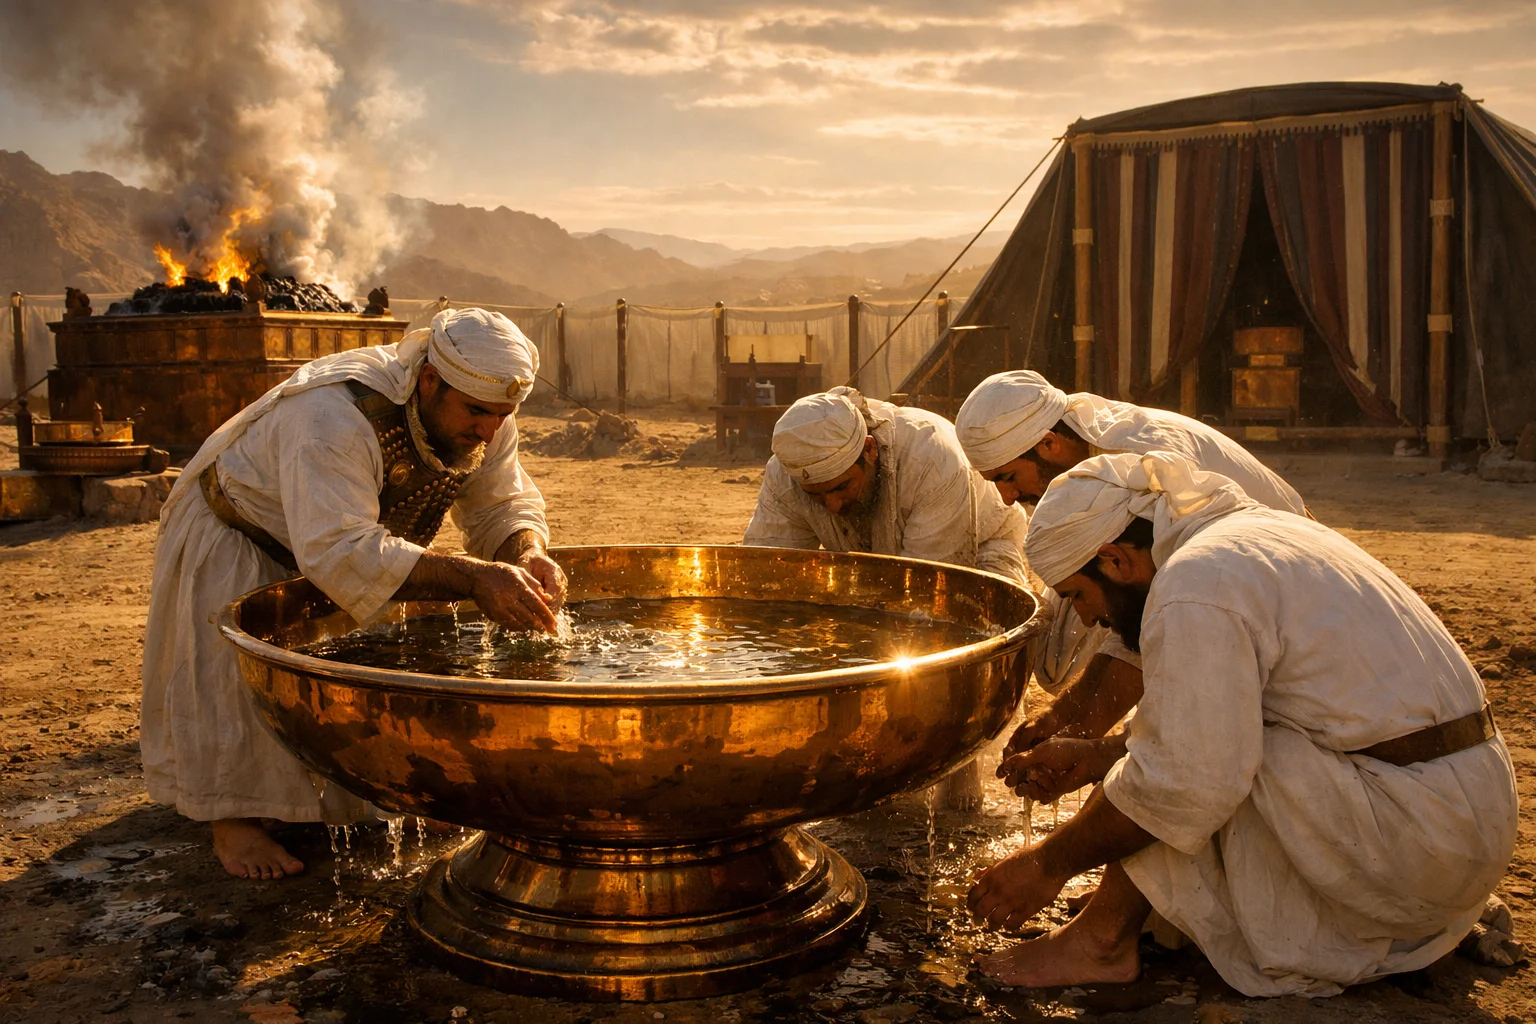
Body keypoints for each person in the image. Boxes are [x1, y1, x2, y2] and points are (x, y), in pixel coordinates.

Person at [966, 451, 1517, 997]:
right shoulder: (1246, 533)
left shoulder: (1195, 585)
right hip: (1460, 808)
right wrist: (1102, 755)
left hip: (1425, 841)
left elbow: (1186, 777)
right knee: (1181, 750)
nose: (1088, 619)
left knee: (1185, 772)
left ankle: (1102, 942)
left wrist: (1048, 863)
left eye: (1078, 597)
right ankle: (1121, 916)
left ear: (1114, 559)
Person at [141, 307, 568, 881]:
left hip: (339, 540)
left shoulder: (485, 406)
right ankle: (233, 819)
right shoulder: (330, 415)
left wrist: (526, 553)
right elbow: (338, 549)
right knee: (235, 677)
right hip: (241, 533)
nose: (489, 430)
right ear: (429, 381)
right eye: (477, 414)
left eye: (502, 416)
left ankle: (370, 797)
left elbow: (501, 504)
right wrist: (471, 577)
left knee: (345, 676)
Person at [953, 370, 1307, 758]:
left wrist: (1089, 739)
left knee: (1220, 753)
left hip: (1289, 603)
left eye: (1007, 477)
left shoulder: (1147, 459)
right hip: (1239, 592)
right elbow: (1138, 621)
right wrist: (1064, 720)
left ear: (1049, 443)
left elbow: (1154, 615)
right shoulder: (1097, 451)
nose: (1005, 499)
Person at [743, 386, 1029, 808]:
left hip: (979, 551)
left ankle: (964, 798)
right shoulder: (788, 475)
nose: (833, 507)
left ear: (871, 451)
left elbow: (934, 602)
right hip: (868, 565)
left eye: (842, 488)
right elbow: (768, 584)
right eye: (818, 497)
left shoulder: (932, 456)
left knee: (961, 662)